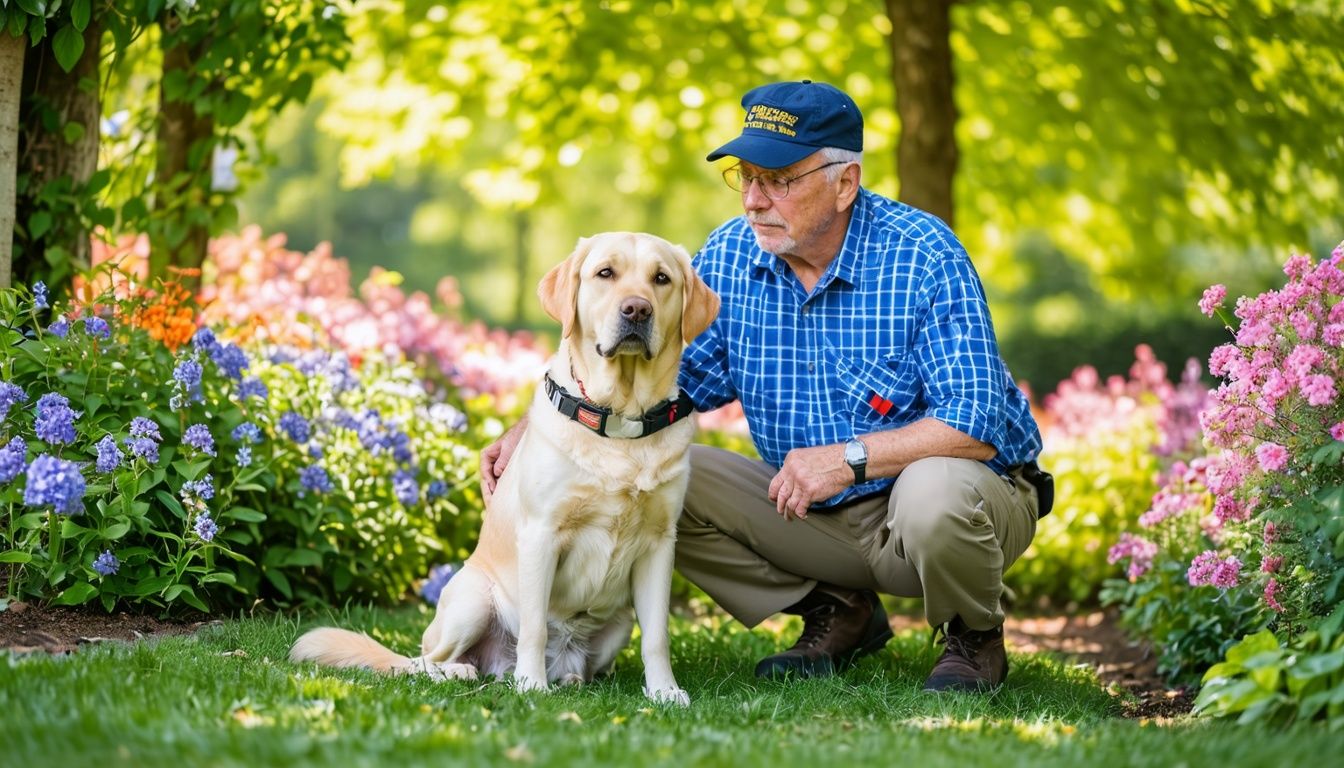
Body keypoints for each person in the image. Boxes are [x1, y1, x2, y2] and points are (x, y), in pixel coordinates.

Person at [482, 79, 1048, 693]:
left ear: (845, 183)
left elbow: (978, 421)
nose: (754, 200)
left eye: (779, 180)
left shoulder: (923, 253)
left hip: (947, 507)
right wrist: (539, 429)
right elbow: (674, 385)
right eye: (746, 177)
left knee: (934, 488)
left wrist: (849, 459)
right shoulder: (729, 254)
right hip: (815, 515)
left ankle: (973, 635)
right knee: (668, 473)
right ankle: (838, 610)